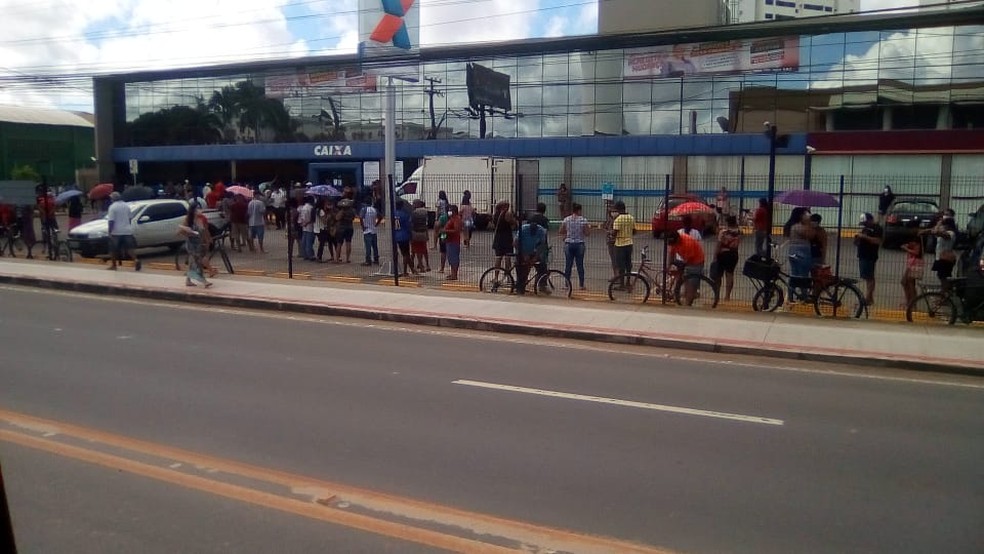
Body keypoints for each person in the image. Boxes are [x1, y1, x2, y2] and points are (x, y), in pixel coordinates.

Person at [177, 203, 214, 287]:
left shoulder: (200, 220)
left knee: (192, 263)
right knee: (198, 262)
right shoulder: (188, 220)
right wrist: (190, 233)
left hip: (199, 244)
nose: (199, 210)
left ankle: (188, 280)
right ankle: (204, 281)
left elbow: (204, 231)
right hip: (192, 245)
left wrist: (208, 239)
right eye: (197, 209)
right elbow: (180, 231)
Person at [665, 230, 705, 306]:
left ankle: (688, 302)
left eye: (675, 243)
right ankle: (683, 294)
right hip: (686, 260)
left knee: (690, 284)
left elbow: (688, 260)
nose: (674, 245)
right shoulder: (672, 241)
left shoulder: (687, 243)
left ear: (678, 238)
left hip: (696, 261)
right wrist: (669, 266)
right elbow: (671, 253)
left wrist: (681, 269)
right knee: (683, 280)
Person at [786, 208, 815, 307]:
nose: (807, 216)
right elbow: (811, 235)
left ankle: (791, 296)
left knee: (795, 275)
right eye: (805, 215)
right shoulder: (798, 226)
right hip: (802, 253)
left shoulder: (793, 226)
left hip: (793, 253)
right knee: (803, 276)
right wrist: (809, 224)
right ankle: (804, 296)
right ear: (800, 216)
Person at [106, 192, 140, 271]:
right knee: (129, 249)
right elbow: (130, 218)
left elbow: (111, 221)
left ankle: (114, 265)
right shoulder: (126, 206)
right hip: (127, 231)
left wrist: (109, 231)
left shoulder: (112, 207)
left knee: (113, 249)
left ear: (113, 199)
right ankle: (136, 260)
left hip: (116, 232)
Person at [514, 214, 547, 295]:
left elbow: (542, 245)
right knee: (522, 269)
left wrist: (535, 257)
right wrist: (524, 254)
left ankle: (542, 285)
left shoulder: (541, 230)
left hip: (533, 251)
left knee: (542, 267)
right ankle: (520, 287)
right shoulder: (523, 229)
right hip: (522, 251)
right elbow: (515, 243)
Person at [855, 212, 883, 306]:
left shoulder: (877, 228)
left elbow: (878, 241)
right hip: (862, 255)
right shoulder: (865, 229)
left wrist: (865, 237)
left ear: (871, 220)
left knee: (870, 277)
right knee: (866, 277)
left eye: (866, 223)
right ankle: (869, 298)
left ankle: (868, 298)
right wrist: (858, 238)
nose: (865, 225)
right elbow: (858, 242)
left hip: (870, 255)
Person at [927, 212, 958, 295]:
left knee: (943, 276)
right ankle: (944, 292)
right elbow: (933, 231)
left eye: (944, 224)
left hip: (945, 258)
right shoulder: (944, 232)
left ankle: (945, 294)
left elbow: (936, 232)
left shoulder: (950, 233)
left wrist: (939, 223)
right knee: (941, 276)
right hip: (940, 257)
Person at [560, 202, 589, 290]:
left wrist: (566, 234)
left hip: (568, 243)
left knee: (568, 265)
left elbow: (561, 231)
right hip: (579, 243)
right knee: (580, 264)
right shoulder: (583, 220)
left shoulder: (566, 219)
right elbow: (587, 233)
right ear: (579, 210)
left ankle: (566, 284)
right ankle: (581, 285)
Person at [713, 215, 741, 301]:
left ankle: (717, 294)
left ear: (727, 223)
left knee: (718, 275)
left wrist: (715, 256)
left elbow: (719, 245)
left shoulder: (723, 232)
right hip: (733, 254)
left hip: (722, 254)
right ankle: (727, 296)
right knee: (730, 274)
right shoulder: (738, 232)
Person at [611, 201, 635, 286]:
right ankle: (628, 281)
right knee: (628, 264)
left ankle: (621, 284)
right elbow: (634, 231)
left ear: (618, 209)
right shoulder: (631, 218)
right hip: (629, 243)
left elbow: (614, 233)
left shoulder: (618, 220)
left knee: (621, 265)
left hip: (620, 245)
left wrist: (610, 233)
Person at [528, 202, 551, 292]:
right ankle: (542, 285)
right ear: (544, 210)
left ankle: (522, 280)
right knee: (542, 266)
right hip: (541, 246)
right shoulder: (544, 219)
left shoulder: (531, 218)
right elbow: (545, 232)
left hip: (530, 244)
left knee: (528, 264)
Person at [491, 200, 516, 270]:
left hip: (498, 237)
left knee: (498, 257)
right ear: (504, 206)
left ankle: (496, 276)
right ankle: (508, 275)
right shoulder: (507, 214)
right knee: (507, 257)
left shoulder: (495, 214)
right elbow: (514, 224)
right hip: (507, 237)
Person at [394, 199, 416, 276]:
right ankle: (405, 271)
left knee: (405, 253)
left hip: (396, 235)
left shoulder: (393, 214)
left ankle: (413, 269)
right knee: (406, 254)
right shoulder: (404, 214)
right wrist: (411, 235)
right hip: (404, 235)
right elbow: (408, 226)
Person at [900, 240, 924, 309]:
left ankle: (912, 303)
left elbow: (917, 252)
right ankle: (909, 301)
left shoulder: (918, 244)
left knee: (910, 284)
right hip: (911, 265)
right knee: (905, 283)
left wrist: (906, 249)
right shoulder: (912, 244)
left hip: (914, 265)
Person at [410, 199, 431, 272]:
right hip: (424, 231)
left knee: (416, 250)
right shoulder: (425, 212)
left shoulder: (414, 213)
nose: (413, 205)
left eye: (414, 203)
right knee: (424, 249)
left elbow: (411, 223)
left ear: (417, 204)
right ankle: (427, 264)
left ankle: (420, 265)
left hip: (416, 232)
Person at [444, 204, 463, 280]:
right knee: (450, 258)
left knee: (454, 258)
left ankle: (454, 275)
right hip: (449, 240)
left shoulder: (456, 219)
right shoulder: (451, 218)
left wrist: (445, 231)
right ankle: (452, 273)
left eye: (450, 210)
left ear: (454, 211)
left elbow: (456, 230)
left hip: (453, 241)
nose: (449, 212)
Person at [335, 198, 356, 263]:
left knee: (339, 244)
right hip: (349, 227)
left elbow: (337, 218)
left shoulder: (342, 211)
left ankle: (337, 259)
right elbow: (353, 218)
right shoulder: (352, 211)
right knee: (348, 243)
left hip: (341, 228)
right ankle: (347, 258)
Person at [298, 196, 315, 261]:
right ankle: (310, 255)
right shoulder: (311, 208)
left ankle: (305, 254)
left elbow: (301, 217)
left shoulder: (302, 208)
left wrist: (302, 223)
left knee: (304, 242)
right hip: (310, 226)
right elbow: (312, 219)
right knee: (309, 242)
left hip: (304, 226)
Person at [433, 204, 449, 272]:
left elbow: (437, 226)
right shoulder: (455, 217)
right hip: (453, 235)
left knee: (443, 252)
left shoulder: (443, 217)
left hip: (444, 234)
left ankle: (442, 268)